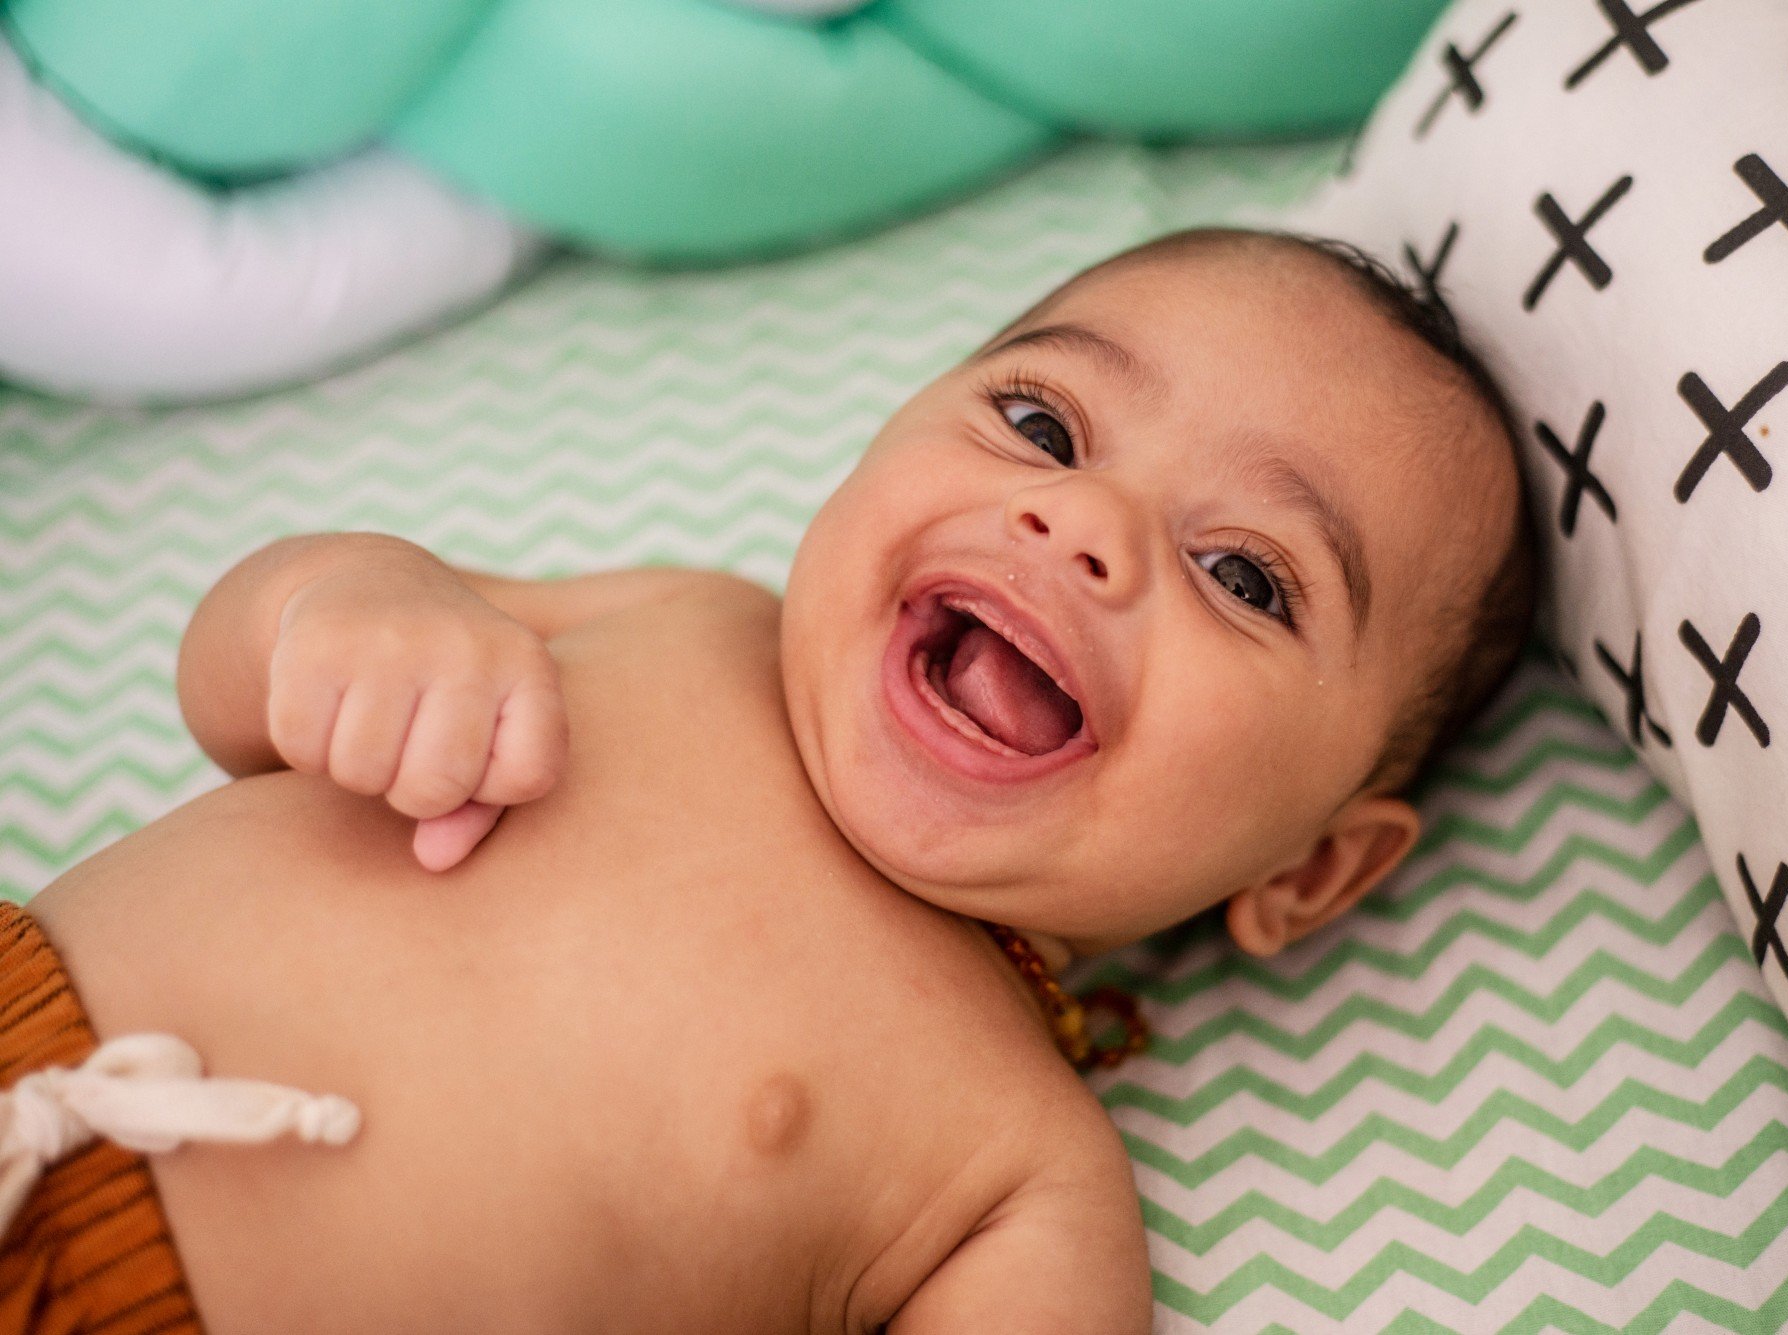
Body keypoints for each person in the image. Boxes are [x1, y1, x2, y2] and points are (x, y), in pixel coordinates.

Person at [2, 227, 1534, 1334]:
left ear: (1311, 872)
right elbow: (231, 684)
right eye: (1040, 422)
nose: (1084, 526)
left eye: (1245, 576)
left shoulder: (1020, 1175)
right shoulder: (689, 618)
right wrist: (350, 614)